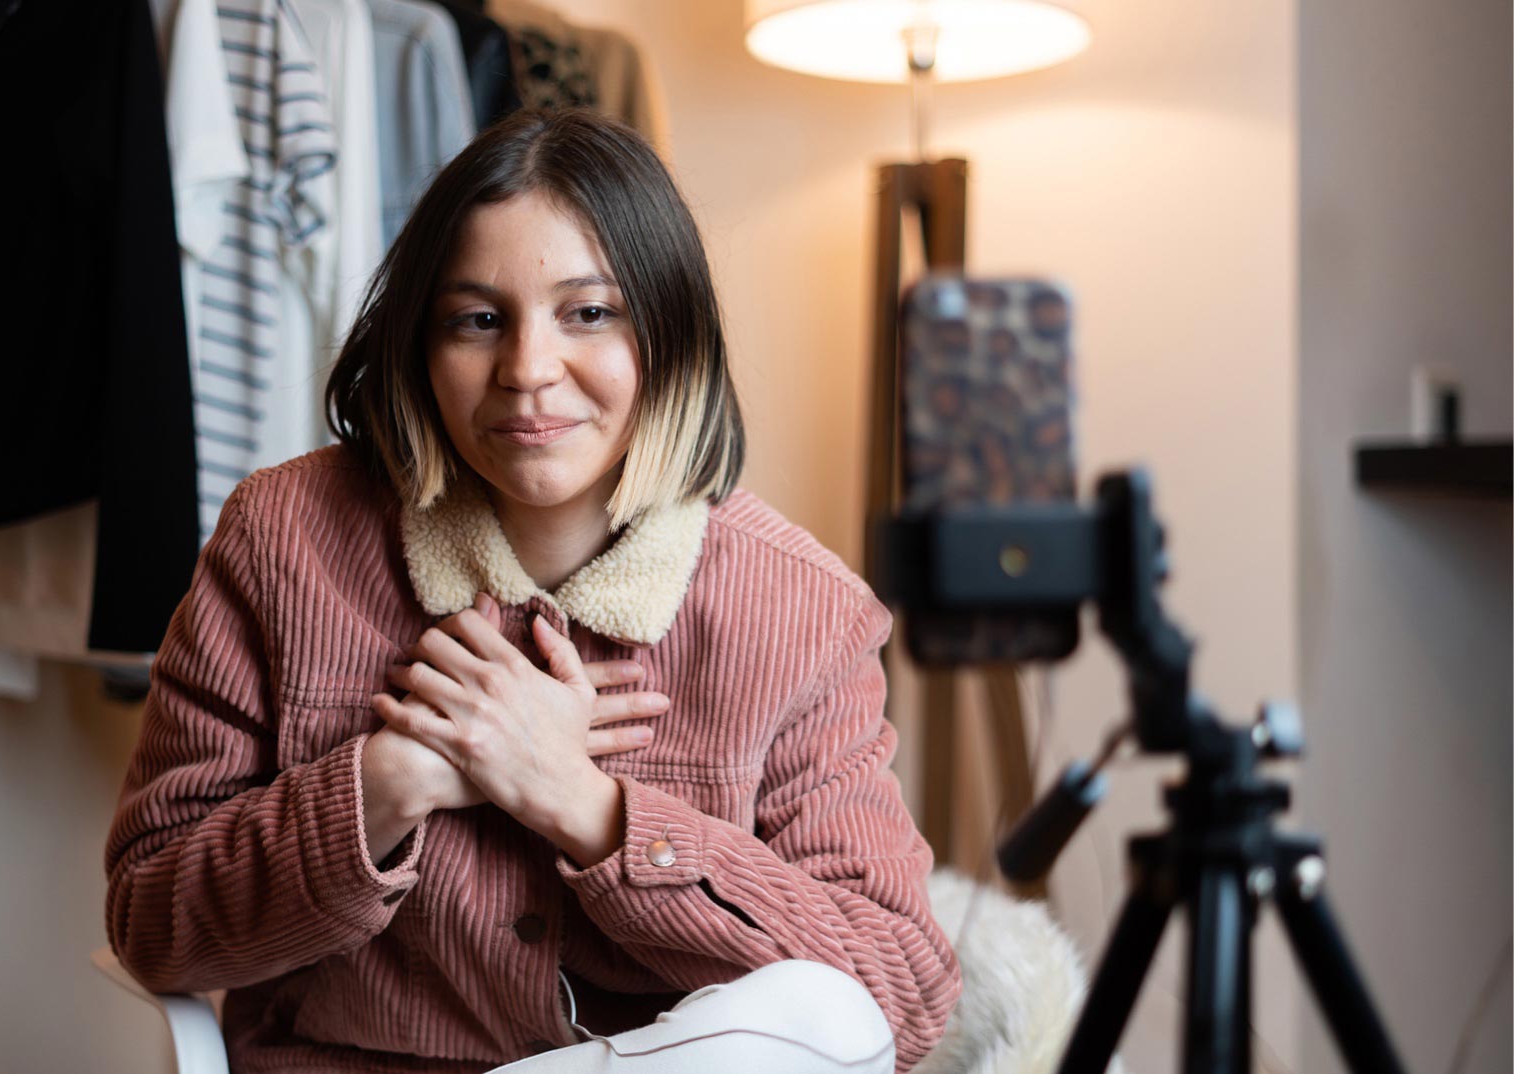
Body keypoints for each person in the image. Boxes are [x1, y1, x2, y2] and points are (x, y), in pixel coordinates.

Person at [104, 108, 960, 1074]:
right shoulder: (283, 540)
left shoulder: (803, 612)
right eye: (477, 321)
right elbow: (152, 923)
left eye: (589, 313)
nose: (528, 372)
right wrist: (394, 782)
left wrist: (581, 804)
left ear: (668, 332)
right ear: (421, 350)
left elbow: (896, 1000)